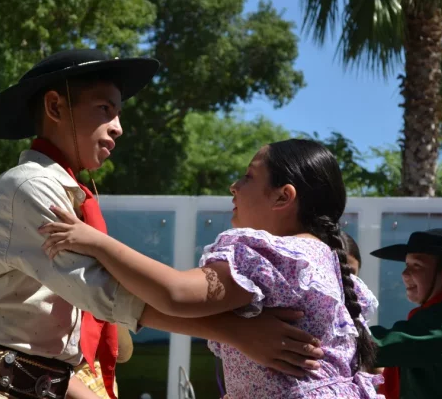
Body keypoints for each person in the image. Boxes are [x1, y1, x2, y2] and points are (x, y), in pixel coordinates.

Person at [0, 50, 325, 399]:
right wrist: (235, 332)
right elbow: (103, 292)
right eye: (105, 109)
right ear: (55, 106)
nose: (118, 126)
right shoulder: (30, 185)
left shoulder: (72, 194)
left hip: (37, 382)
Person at [40, 139, 383, 398]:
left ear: (283, 197)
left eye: (249, 176)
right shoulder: (322, 258)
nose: (234, 186)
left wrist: (95, 241)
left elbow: (175, 294)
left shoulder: (273, 254)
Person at [369, 228, 442, 399]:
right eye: (406, 265)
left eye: (417, 265)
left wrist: (319, 329)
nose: (404, 274)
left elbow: (377, 346)